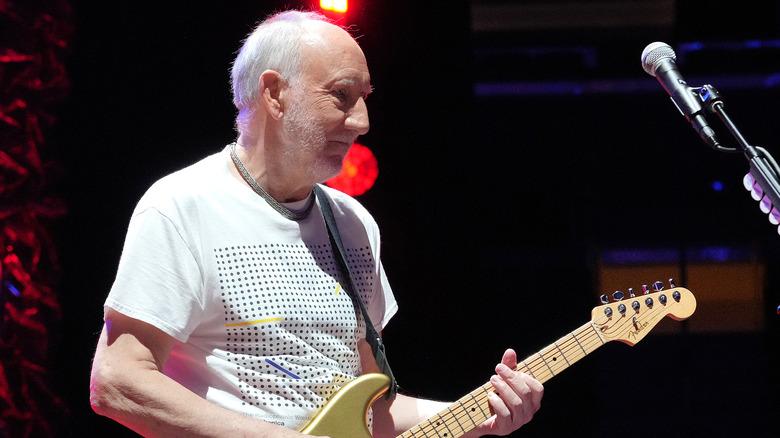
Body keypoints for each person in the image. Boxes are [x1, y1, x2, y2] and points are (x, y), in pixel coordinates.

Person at [89, 10, 543, 438]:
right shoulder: (182, 208)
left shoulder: (354, 224)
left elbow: (369, 409)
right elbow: (118, 381)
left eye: (364, 99)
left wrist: (477, 416)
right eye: (341, 95)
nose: (362, 122)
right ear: (274, 94)